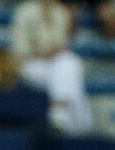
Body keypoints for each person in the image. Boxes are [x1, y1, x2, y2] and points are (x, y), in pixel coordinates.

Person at [11, 0, 92, 135]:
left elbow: (62, 44)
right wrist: (43, 53)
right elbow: (19, 50)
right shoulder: (25, 11)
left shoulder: (59, 11)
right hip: (31, 64)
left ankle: (58, 115)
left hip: (55, 64)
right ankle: (79, 125)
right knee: (69, 69)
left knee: (70, 63)